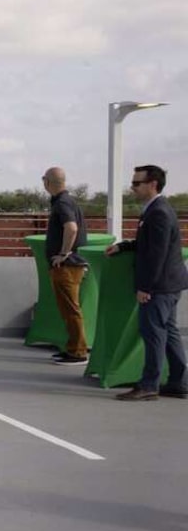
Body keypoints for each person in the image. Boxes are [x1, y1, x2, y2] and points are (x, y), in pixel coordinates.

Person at [106, 164, 188, 401]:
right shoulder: (155, 209)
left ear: (152, 184)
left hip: (159, 287)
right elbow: (148, 243)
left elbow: (157, 254)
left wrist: (146, 287)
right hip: (168, 284)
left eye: (136, 183)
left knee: (153, 334)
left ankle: (149, 385)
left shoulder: (158, 212)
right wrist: (123, 246)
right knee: (168, 332)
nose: (132, 187)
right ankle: (179, 382)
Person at [42, 167, 89, 366]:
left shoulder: (62, 203)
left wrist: (63, 254)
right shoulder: (67, 201)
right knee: (69, 309)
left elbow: (71, 228)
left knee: (70, 310)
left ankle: (78, 352)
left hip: (67, 266)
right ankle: (73, 348)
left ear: (47, 182)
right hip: (71, 265)